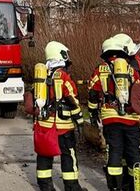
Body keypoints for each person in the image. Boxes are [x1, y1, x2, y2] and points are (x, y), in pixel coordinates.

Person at [88, 35, 140, 191]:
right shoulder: (131, 68)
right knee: (133, 153)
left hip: (110, 118)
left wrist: (93, 113)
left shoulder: (100, 69)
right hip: (131, 119)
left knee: (114, 151)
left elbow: (93, 92)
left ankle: (115, 186)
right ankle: (134, 185)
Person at [34, 41, 84, 191]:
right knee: (68, 155)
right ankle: (72, 187)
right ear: (61, 55)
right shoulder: (63, 76)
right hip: (63, 127)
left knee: (44, 155)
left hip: (44, 125)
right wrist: (80, 120)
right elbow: (72, 99)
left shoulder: (41, 74)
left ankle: (45, 187)